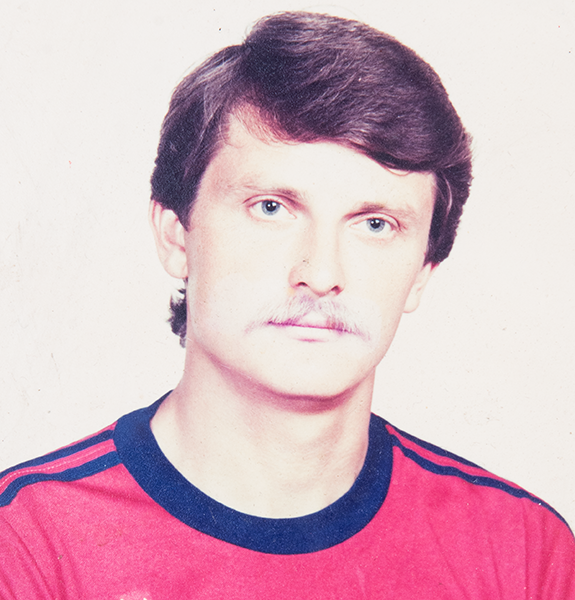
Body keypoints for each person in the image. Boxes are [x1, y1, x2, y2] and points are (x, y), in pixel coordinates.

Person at [0, 10, 573, 599]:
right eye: (271, 208)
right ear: (176, 236)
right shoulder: (25, 545)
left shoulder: (524, 553)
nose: (321, 274)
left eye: (375, 224)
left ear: (423, 271)